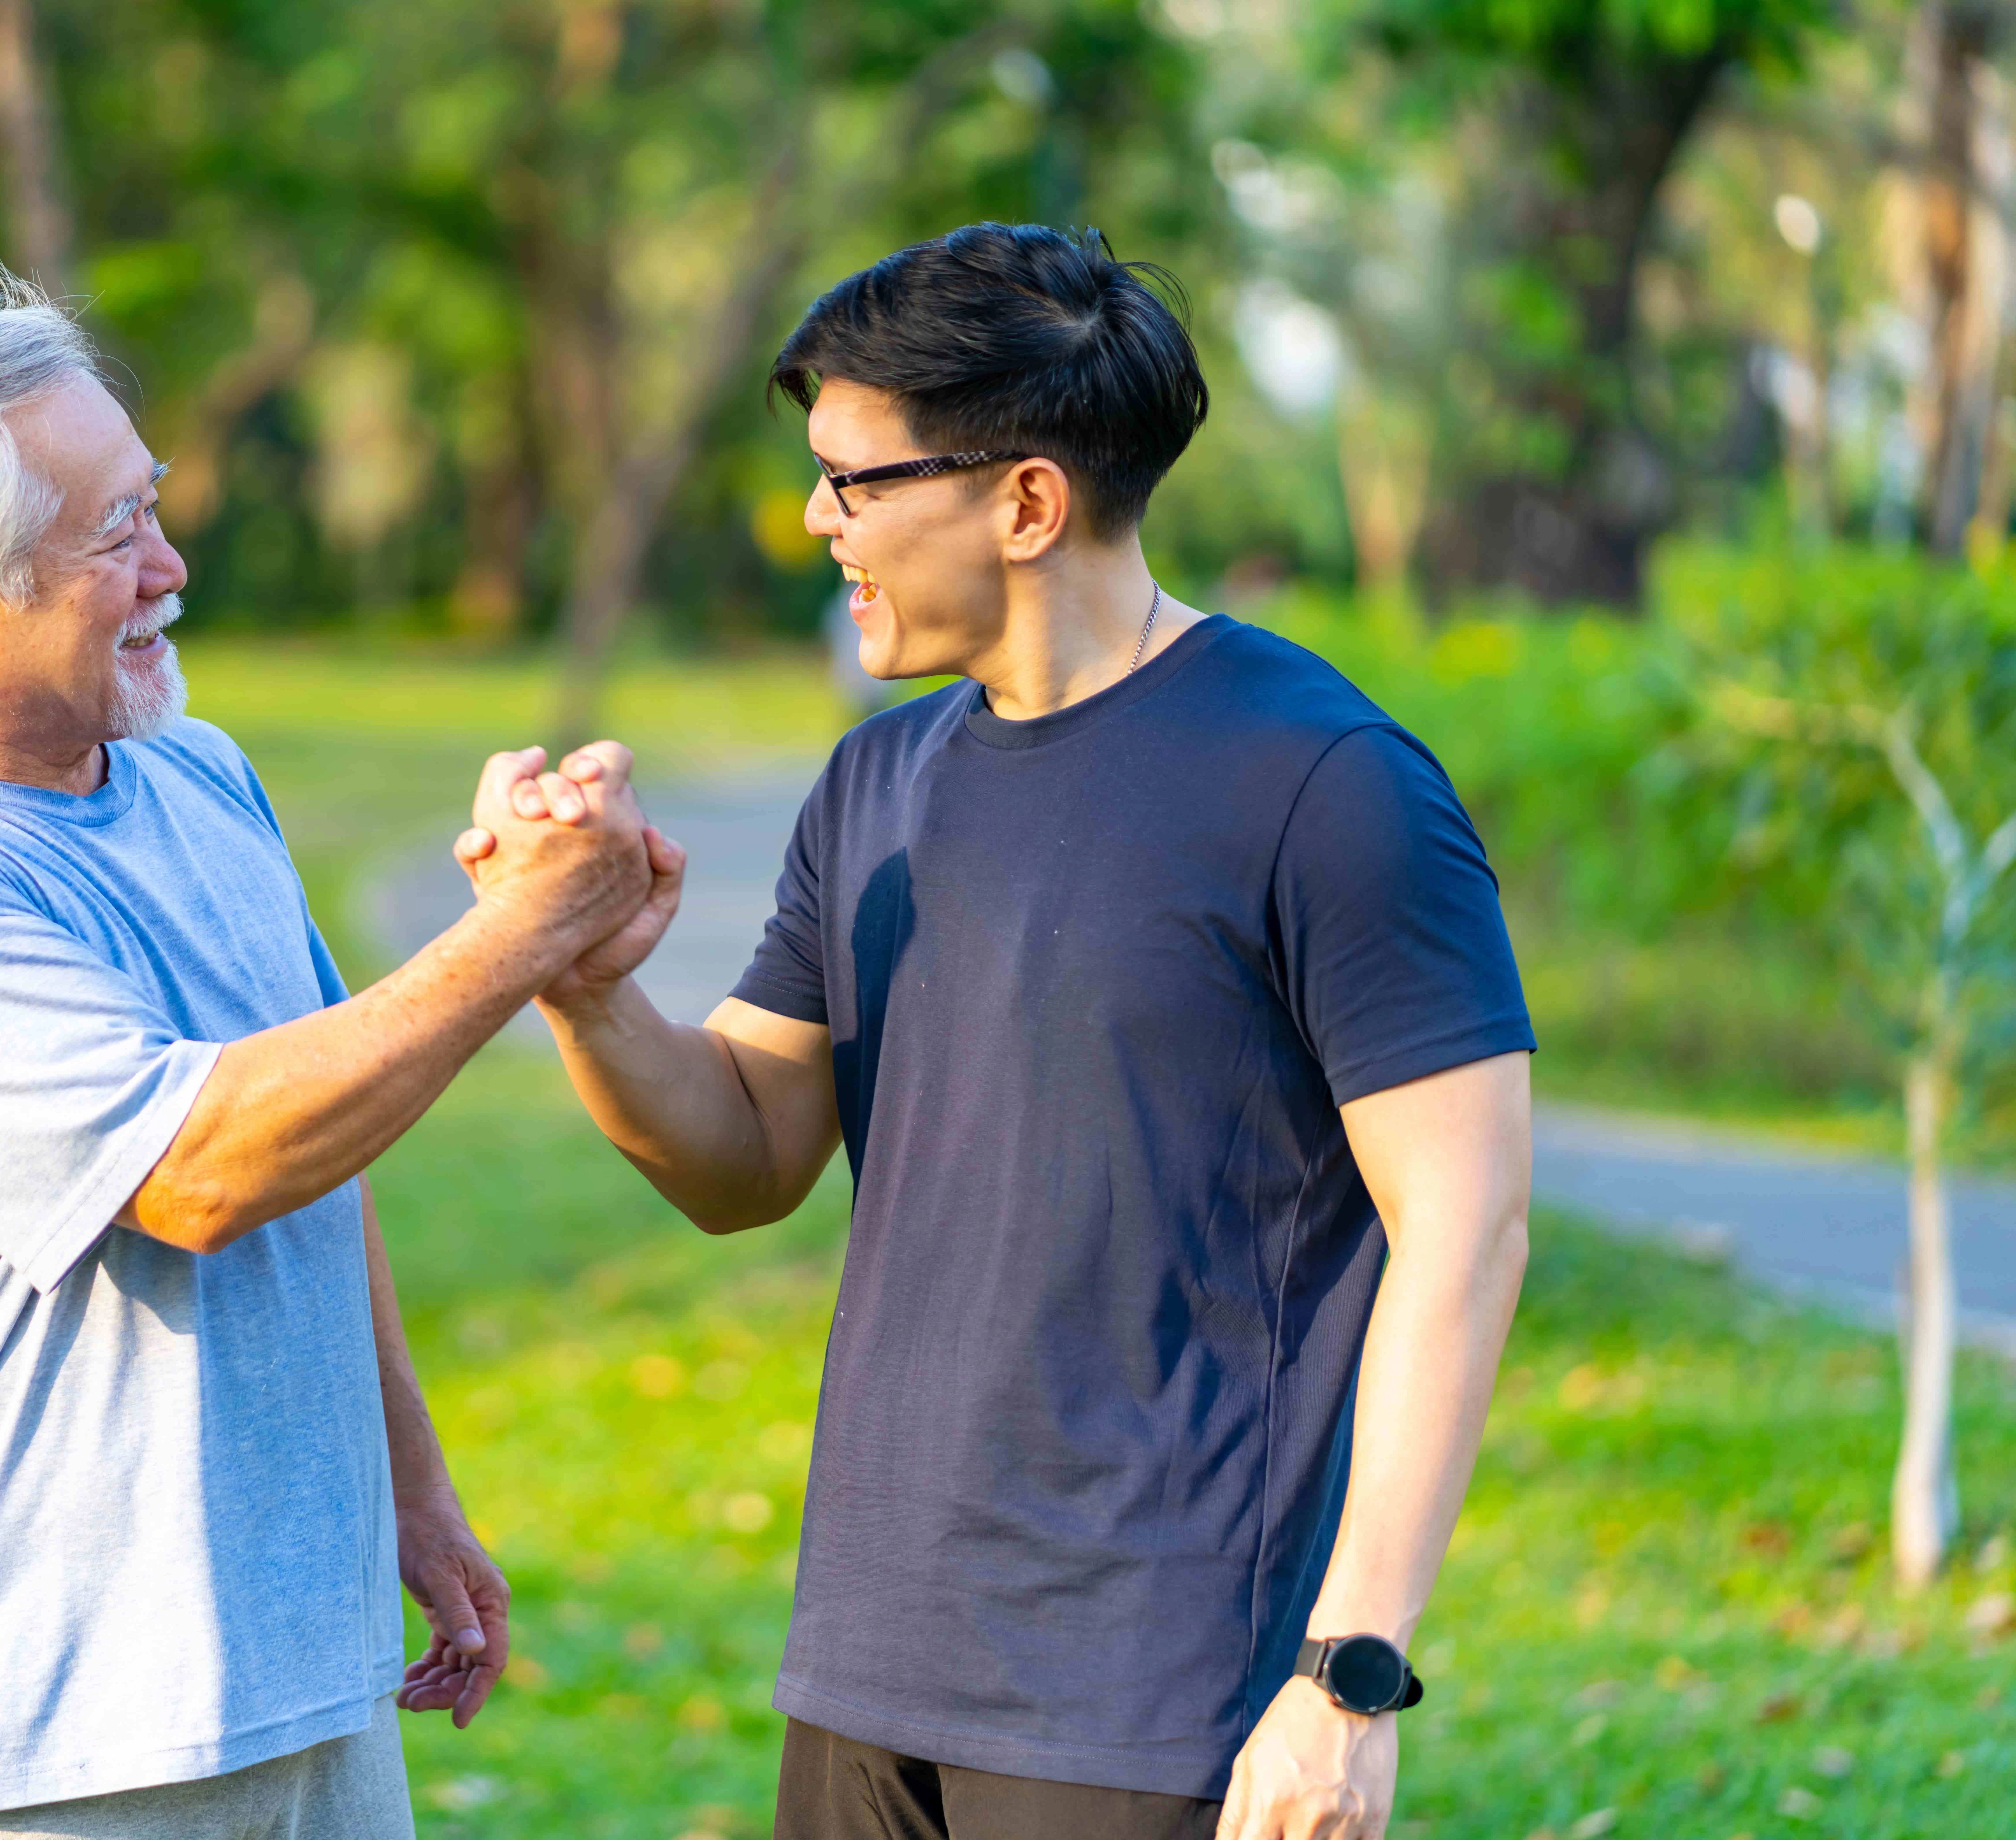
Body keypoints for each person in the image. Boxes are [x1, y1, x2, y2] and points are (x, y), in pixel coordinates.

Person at [462, 224, 1536, 1840]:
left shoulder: (1326, 785)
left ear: (1026, 503)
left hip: (1157, 1694)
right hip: (870, 1660)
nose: (819, 522)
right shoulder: (880, 784)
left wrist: (1351, 1674)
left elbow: (1466, 1226)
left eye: (855, 483)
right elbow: (744, 1153)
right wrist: (582, 979)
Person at [0, 277, 654, 1836]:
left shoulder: (195, 772)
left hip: (297, 1685)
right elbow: (204, 1167)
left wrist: (410, 1492)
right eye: (108, 538)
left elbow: (316, 1134)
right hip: (38, 1743)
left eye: (151, 508)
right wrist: (517, 933)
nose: (170, 569)